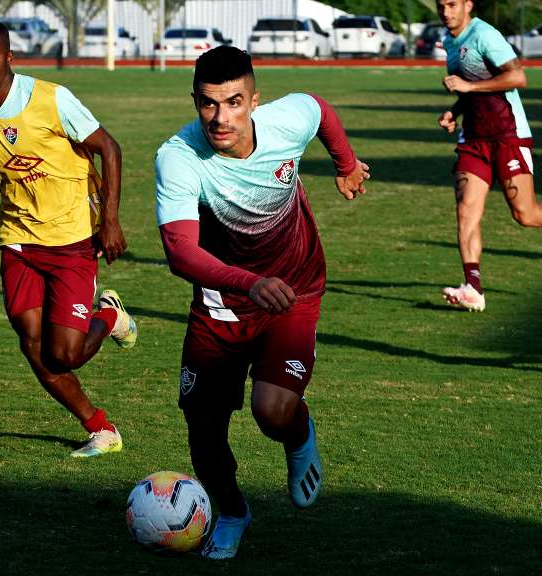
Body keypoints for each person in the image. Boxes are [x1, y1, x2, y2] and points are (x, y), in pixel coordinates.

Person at [154, 46, 370, 559]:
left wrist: (345, 163)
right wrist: (248, 283)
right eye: (208, 104)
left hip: (294, 290)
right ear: (195, 101)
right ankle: (231, 513)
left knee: (273, 411)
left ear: (255, 100)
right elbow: (181, 252)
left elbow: (319, 108)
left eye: (233, 102)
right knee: (203, 425)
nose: (220, 118)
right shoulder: (179, 157)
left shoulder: (286, 121)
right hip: (224, 301)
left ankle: (299, 438)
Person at [0, 20, 137, 457]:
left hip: (72, 239)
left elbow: (109, 148)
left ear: (10, 56)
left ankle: (109, 317)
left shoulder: (52, 98)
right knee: (33, 346)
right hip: (18, 240)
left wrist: (109, 220)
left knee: (66, 354)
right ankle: (100, 428)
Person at [435, 0, 542, 311]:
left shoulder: (484, 35)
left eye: (452, 4)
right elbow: (470, 91)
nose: (446, 11)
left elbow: (517, 77)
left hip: (508, 135)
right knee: (466, 210)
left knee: (526, 214)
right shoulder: (449, 41)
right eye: (441, 5)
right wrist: (454, 110)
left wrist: (467, 88)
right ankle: (473, 287)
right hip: (473, 139)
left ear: (468, 5)